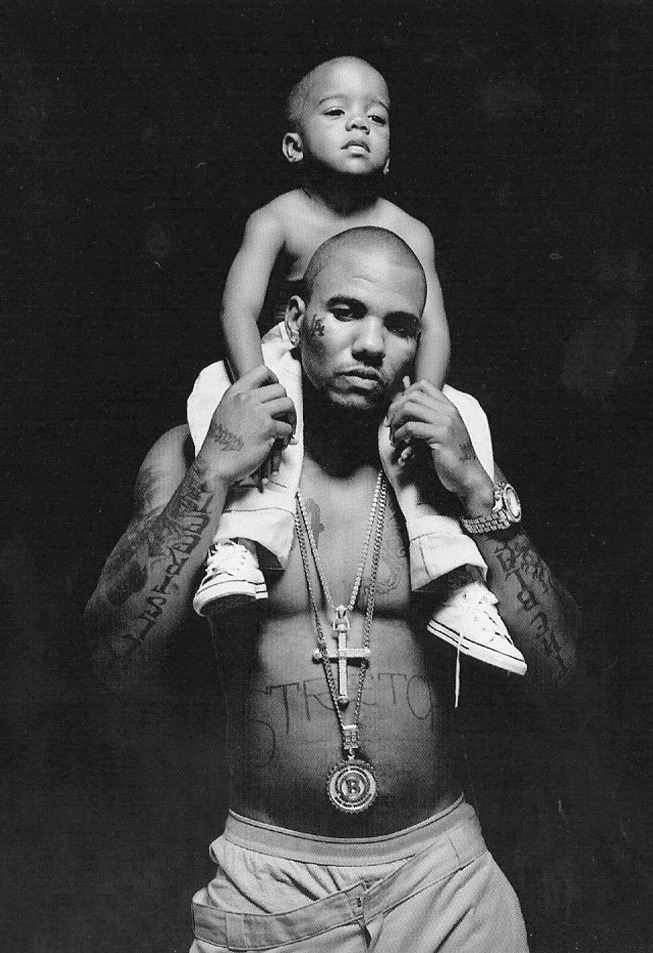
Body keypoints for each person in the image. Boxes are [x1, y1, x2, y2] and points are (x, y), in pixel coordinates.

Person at [85, 228, 578, 952]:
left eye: (399, 326)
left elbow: (564, 673)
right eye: (346, 311)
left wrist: (479, 490)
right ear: (295, 319)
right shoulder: (194, 449)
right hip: (270, 884)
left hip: (445, 884)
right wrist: (213, 471)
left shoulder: (456, 465)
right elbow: (111, 660)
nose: (371, 344)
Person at [189, 55, 525, 677]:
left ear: (390, 155)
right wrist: (255, 383)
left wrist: (425, 397)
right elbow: (238, 306)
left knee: (457, 420)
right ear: (294, 145)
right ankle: (238, 546)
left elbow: (432, 326)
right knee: (217, 391)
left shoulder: (410, 231)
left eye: (377, 116)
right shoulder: (277, 218)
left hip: (383, 373)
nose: (359, 124)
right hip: (290, 357)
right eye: (337, 111)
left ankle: (456, 581)